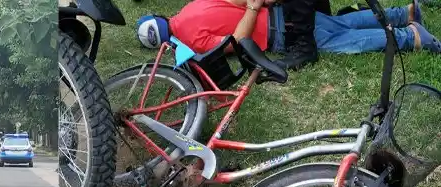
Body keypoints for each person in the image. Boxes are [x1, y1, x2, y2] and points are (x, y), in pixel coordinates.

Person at [136, 0, 438, 60]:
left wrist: (253, 10)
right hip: (286, 12)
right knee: (339, 24)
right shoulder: (191, 7)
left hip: (281, 33)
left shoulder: (192, 41)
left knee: (346, 40)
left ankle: (409, 36)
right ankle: (404, 14)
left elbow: (238, 44)